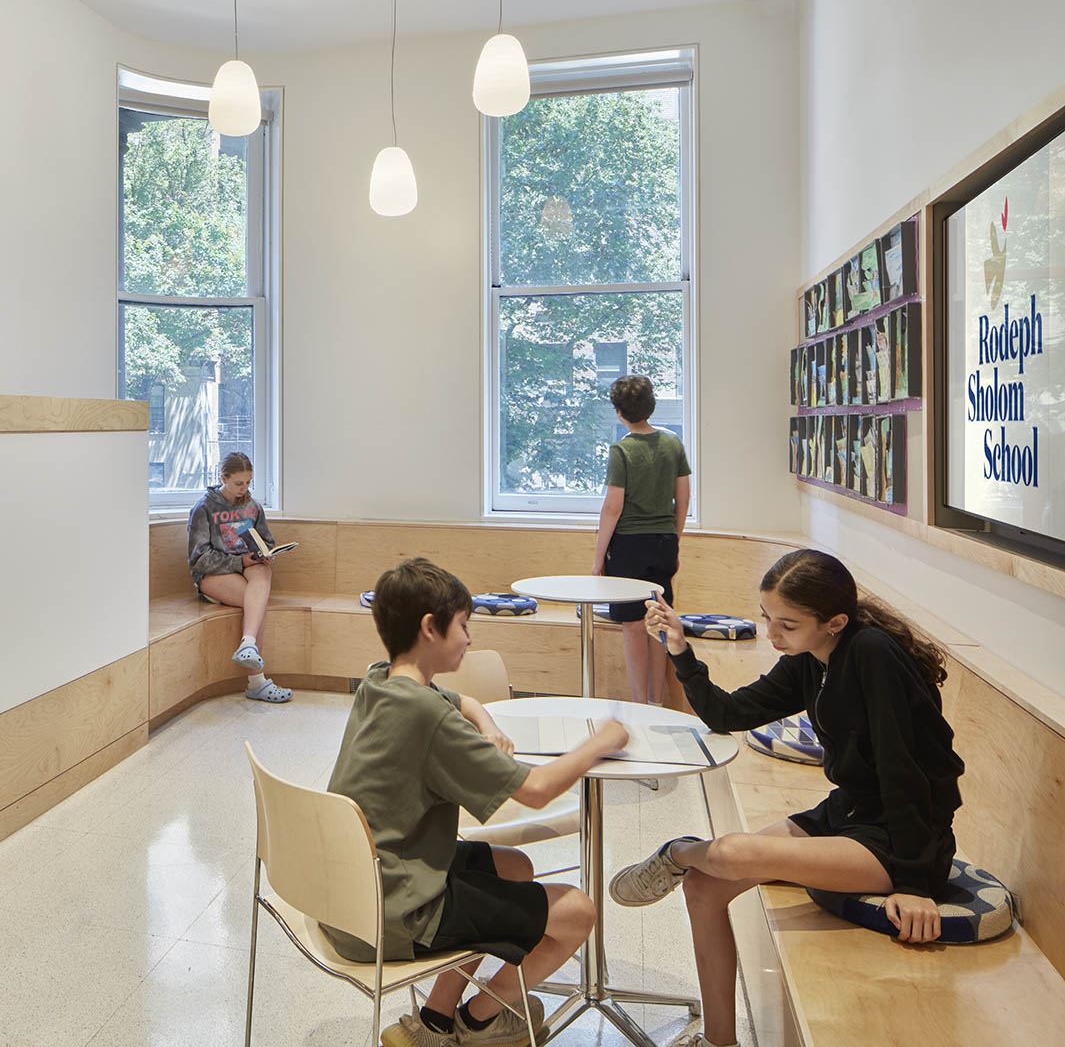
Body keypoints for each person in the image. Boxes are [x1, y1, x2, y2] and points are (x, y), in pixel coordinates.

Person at [608, 549, 965, 1047]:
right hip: (849, 813)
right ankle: (718, 1040)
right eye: (767, 619)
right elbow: (726, 713)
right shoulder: (808, 660)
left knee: (727, 852)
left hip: (905, 837)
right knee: (705, 888)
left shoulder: (872, 654)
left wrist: (911, 883)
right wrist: (679, 650)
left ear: (835, 621)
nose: (772, 635)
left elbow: (901, 766)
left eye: (787, 625)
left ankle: (677, 852)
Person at [323, 557, 629, 1047]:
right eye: (463, 626)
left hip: (354, 889)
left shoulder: (381, 680)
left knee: (514, 866)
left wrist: (487, 724)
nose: (469, 638)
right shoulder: (429, 719)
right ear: (430, 628)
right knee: (578, 911)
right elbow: (536, 790)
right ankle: (484, 1018)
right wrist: (602, 742)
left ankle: (435, 1024)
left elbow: (460, 702)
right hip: (394, 913)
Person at [592, 375, 691, 705]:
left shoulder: (621, 450)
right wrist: (674, 540)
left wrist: (598, 560)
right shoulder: (673, 444)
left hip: (628, 547)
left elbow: (612, 508)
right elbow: (683, 498)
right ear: (652, 406)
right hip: (663, 542)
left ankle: (638, 703)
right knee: (658, 622)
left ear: (619, 412)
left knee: (633, 626)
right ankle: (657, 701)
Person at [187, 451, 292, 703]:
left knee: (262, 571)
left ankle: (248, 644)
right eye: (238, 483)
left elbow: (266, 540)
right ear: (223, 477)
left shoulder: (252, 506)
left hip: (247, 571)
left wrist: (264, 554)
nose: (244, 488)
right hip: (213, 576)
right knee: (258, 601)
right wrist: (239, 561)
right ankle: (256, 681)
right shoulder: (204, 508)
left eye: (248, 482)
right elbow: (198, 558)